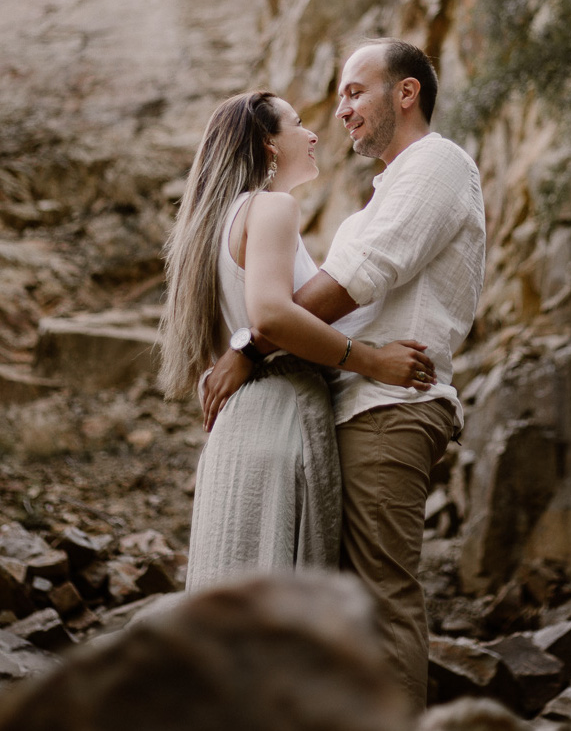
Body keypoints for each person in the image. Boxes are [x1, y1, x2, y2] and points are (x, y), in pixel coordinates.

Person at [201, 39, 486, 712]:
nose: (342, 111)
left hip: (389, 404)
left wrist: (251, 343)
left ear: (406, 93)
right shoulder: (381, 196)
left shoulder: (436, 165)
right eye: (339, 98)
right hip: (351, 407)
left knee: (379, 605)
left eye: (356, 92)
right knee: (340, 609)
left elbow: (353, 284)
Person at [156, 90, 437, 593]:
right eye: (297, 123)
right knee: (287, 616)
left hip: (235, 433)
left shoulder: (209, 228)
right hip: (283, 416)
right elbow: (270, 316)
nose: (312, 134)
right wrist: (374, 362)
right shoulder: (272, 208)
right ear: (267, 143)